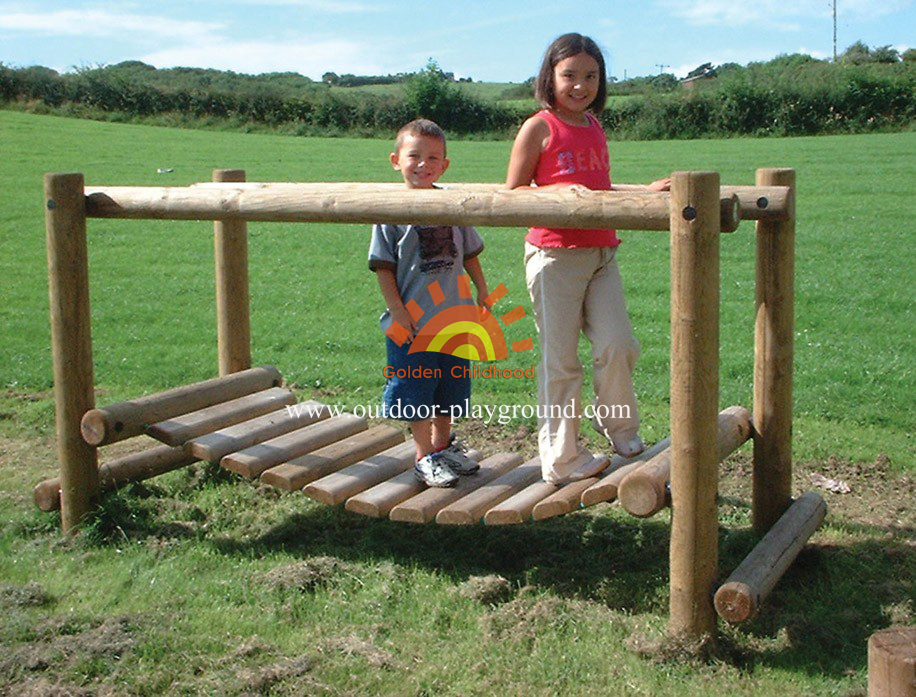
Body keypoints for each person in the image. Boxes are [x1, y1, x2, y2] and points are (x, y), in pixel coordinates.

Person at [505, 33, 670, 484]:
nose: (581, 85)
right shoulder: (539, 126)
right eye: (570, 75)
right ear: (550, 77)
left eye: (591, 76)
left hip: (602, 252)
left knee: (618, 345)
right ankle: (561, 459)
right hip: (554, 255)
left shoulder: (595, 126)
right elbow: (514, 193)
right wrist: (555, 191)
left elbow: (598, 190)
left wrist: (644, 193)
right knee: (561, 361)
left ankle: (616, 423)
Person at [369, 118, 490, 488]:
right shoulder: (390, 210)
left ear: (445, 165)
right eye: (414, 156)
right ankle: (423, 456)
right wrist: (400, 313)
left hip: (453, 318)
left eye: (434, 157)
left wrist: (482, 291)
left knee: (449, 388)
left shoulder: (452, 203)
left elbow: (469, 255)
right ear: (395, 160)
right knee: (417, 388)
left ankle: (442, 447)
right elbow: (383, 269)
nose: (424, 164)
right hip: (413, 324)